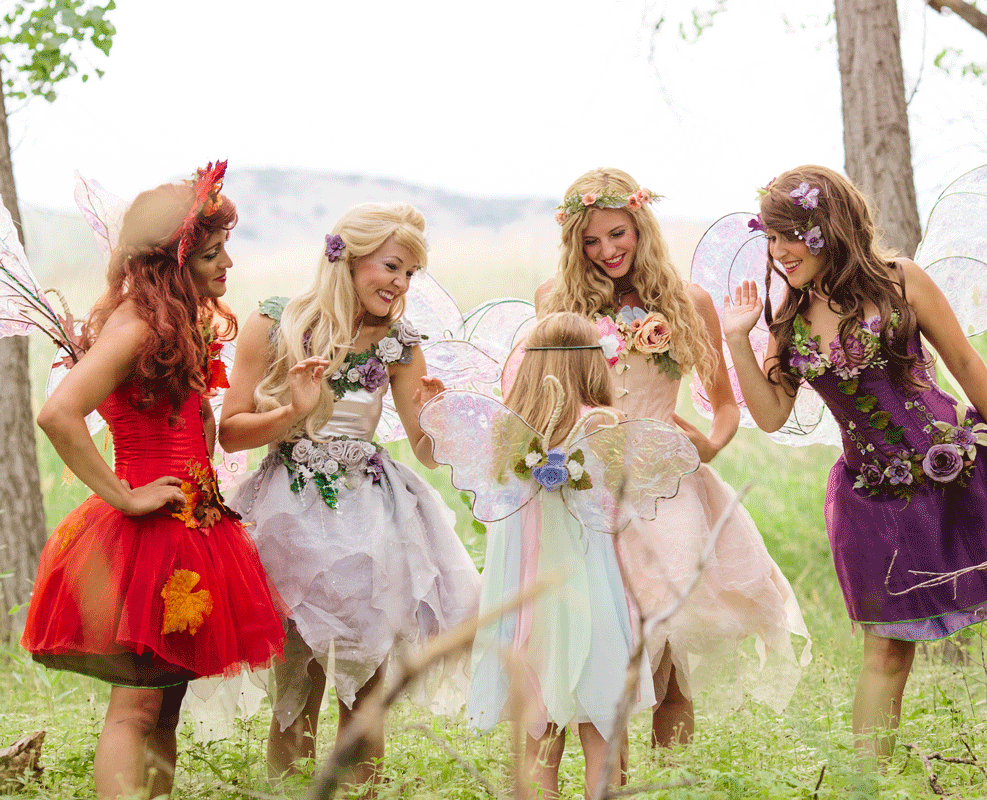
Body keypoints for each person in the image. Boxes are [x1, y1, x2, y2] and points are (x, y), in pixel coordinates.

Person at [721, 165, 987, 761]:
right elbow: (774, 414)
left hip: (958, 472)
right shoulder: (786, 319)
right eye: (772, 237)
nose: (779, 251)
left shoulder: (901, 282)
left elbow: (964, 362)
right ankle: (873, 784)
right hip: (873, 498)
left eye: (790, 235)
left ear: (828, 228)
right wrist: (738, 339)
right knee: (887, 650)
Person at [21, 162, 287, 798]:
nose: (227, 267)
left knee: (166, 704)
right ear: (173, 262)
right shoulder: (137, 324)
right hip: (145, 537)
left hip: (192, 530)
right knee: (136, 707)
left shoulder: (174, 323)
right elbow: (57, 412)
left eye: (226, 251)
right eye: (211, 255)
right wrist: (122, 494)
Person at [536, 168, 808, 748]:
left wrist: (707, 444)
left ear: (640, 224)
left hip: (667, 489)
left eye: (618, 233)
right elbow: (550, 397)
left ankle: (670, 776)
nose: (607, 250)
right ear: (573, 243)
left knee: (673, 646)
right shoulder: (555, 304)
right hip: (589, 485)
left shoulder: (688, 302)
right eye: (590, 240)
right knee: (595, 642)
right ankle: (596, 772)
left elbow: (726, 406)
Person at [218, 202, 481, 789]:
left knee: (366, 690)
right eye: (393, 266)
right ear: (348, 257)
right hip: (289, 515)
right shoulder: (274, 323)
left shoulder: (400, 343)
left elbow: (428, 449)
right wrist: (294, 412)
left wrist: (441, 419)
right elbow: (230, 430)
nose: (401, 284)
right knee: (297, 683)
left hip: (372, 521)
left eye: (411, 274)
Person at [422, 311, 696, 798]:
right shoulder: (604, 426)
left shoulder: (505, 435)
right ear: (594, 365)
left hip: (526, 602)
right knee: (605, 740)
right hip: (591, 600)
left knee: (538, 743)